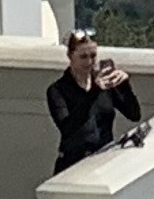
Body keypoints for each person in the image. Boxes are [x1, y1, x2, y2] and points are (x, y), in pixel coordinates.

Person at [45, 30, 146, 170]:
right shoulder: (58, 90)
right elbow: (68, 128)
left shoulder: (103, 84)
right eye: (83, 56)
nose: (89, 62)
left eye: (93, 56)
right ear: (70, 56)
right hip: (73, 163)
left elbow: (134, 114)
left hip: (103, 160)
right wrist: (93, 93)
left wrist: (123, 84)